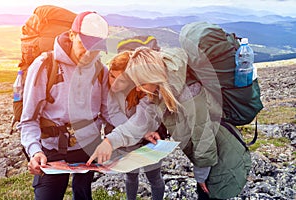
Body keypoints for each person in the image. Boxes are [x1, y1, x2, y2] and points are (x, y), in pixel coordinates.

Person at [87, 47, 220, 199]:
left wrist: (201, 175)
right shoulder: (156, 91)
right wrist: (110, 141)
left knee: (203, 191)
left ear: (152, 77)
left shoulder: (189, 92)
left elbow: (203, 134)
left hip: (217, 155)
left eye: (141, 83)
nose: (137, 88)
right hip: (205, 157)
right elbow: (140, 122)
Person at [18, 11, 109, 200]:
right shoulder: (45, 65)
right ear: (71, 35)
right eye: (84, 45)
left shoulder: (101, 71)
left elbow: (109, 112)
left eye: (96, 48)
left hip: (86, 147)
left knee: (83, 194)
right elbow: (29, 120)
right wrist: (35, 151)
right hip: (51, 149)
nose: (90, 53)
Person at [99, 51, 165, 200]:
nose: (114, 83)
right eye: (112, 76)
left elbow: (143, 118)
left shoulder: (144, 91)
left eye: (121, 80)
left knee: (154, 176)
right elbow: (113, 113)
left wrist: (139, 132)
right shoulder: (109, 91)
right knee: (131, 175)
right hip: (128, 140)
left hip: (149, 140)